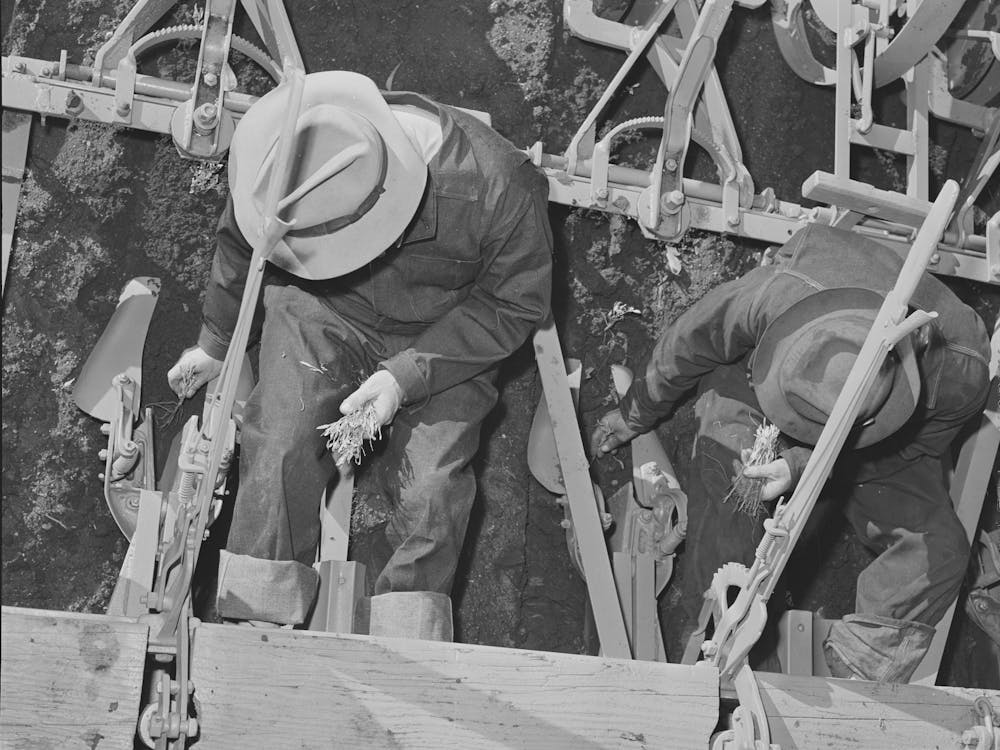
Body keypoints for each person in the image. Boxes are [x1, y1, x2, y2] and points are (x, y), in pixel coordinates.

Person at [167, 71, 553, 636]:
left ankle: (405, 652)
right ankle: (254, 624)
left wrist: (405, 377)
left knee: (434, 496)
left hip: (445, 337)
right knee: (277, 444)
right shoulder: (295, 147)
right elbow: (241, 242)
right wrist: (218, 343)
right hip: (323, 309)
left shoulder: (501, 189)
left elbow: (513, 306)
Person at [592, 223, 991, 682]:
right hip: (759, 389)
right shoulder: (773, 299)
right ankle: (711, 646)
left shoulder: (960, 370)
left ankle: (854, 683)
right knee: (730, 501)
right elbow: (690, 341)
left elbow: (911, 452)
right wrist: (635, 412)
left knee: (941, 551)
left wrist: (806, 464)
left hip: (880, 440)